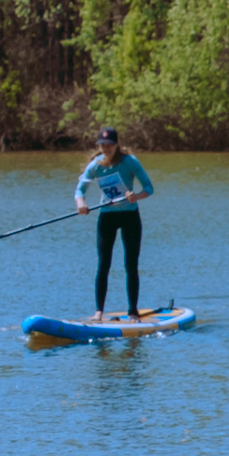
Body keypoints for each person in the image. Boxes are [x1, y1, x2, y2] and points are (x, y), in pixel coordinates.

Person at [74, 126, 155, 318]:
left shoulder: (130, 162)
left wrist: (136, 196)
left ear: (116, 144)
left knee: (131, 264)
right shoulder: (95, 165)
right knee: (103, 264)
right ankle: (98, 312)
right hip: (107, 217)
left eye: (109, 144)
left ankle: (133, 312)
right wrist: (81, 204)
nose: (105, 148)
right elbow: (80, 190)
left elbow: (149, 188)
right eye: (102, 145)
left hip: (130, 217)